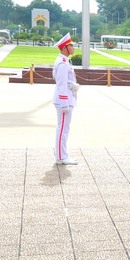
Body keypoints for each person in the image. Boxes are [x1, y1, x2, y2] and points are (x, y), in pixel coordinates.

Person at [52, 33, 80, 165]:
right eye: (71, 46)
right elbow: (61, 84)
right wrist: (64, 103)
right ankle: (61, 157)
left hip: (67, 98)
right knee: (63, 128)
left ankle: (62, 154)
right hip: (64, 100)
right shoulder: (62, 63)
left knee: (64, 128)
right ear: (65, 48)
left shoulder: (64, 61)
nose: (73, 48)